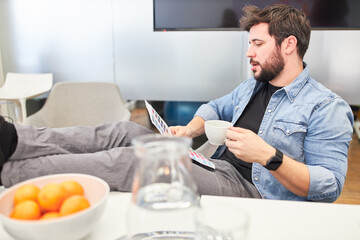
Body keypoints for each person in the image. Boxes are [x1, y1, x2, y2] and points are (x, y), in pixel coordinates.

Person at [0, 4, 353, 202]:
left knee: (134, 163)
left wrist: (269, 156)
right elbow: (215, 107)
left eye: (258, 44)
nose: (249, 52)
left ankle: (9, 173)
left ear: (288, 45)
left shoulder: (327, 107)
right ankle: (15, 141)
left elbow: (329, 185)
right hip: (216, 166)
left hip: (251, 190)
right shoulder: (253, 85)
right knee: (124, 130)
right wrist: (191, 129)